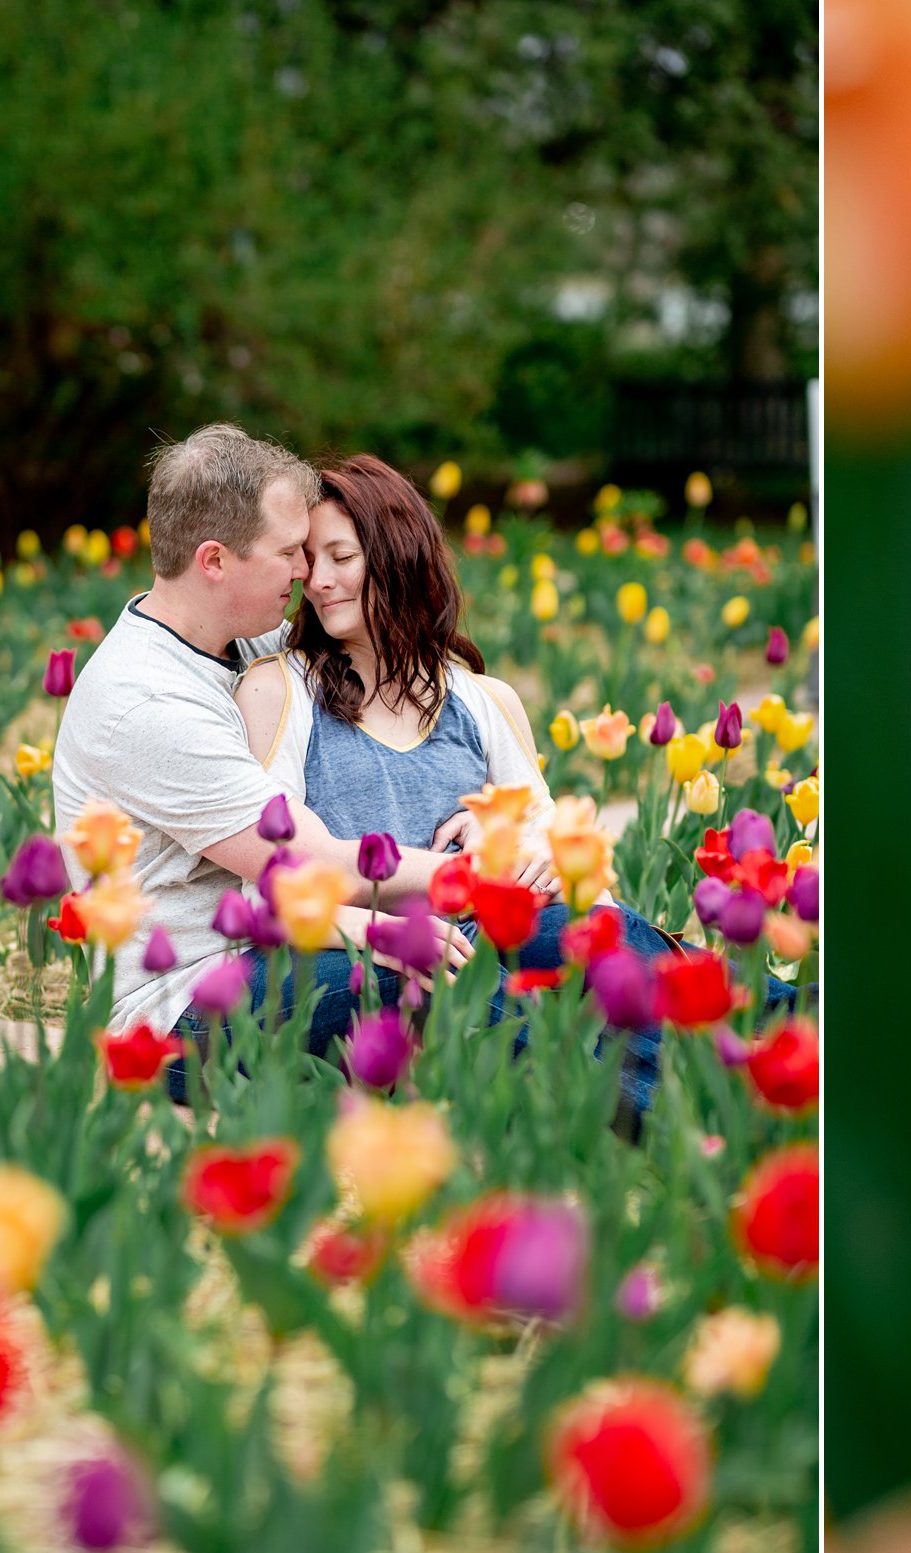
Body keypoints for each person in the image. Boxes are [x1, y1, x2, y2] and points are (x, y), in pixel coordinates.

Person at [229, 453, 680, 1108]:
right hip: (373, 964)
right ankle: (697, 1097)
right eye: (309, 561)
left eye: (340, 557)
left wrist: (518, 846)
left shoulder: (481, 701)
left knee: (587, 933)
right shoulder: (280, 691)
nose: (318, 581)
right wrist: (470, 877)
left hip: (487, 947)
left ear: (396, 554)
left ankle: (774, 1034)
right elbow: (266, 879)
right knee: (513, 981)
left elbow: (565, 860)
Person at [51, 424, 457, 1061]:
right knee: (460, 967)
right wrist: (488, 875)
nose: (306, 572)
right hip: (185, 1007)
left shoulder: (242, 640)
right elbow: (315, 866)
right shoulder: (146, 703)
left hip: (286, 943)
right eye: (290, 551)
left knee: (525, 948)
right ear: (213, 561)